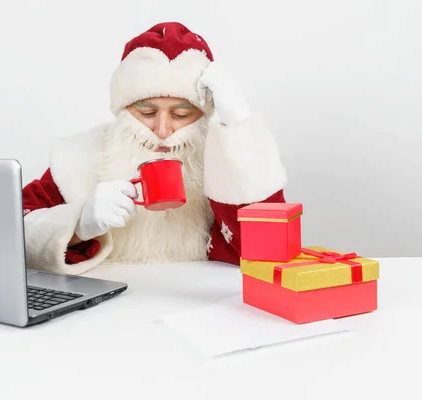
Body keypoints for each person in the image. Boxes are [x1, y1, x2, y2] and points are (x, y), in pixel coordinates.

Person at [21, 22, 287, 275]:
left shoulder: (222, 163)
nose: (162, 131)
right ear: (123, 110)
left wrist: (240, 127)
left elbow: (270, 249)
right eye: (147, 112)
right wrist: (79, 224)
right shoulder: (80, 158)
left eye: (181, 114)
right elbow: (10, 233)